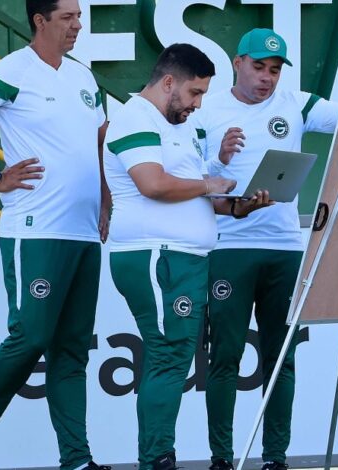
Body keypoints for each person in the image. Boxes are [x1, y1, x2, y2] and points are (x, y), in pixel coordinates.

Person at [190, 28, 338, 470]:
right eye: (258, 67)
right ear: (237, 63)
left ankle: (275, 458)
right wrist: (219, 158)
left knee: (282, 359)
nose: (267, 78)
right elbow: (191, 175)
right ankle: (221, 458)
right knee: (224, 357)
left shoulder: (295, 103)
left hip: (283, 248)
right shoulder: (208, 108)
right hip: (228, 247)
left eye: (274, 70)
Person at [0, 1, 112, 469]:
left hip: (83, 233)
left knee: (71, 352)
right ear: (40, 20)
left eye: (79, 16)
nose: (78, 24)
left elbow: (98, 145)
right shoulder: (13, 69)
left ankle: (76, 460)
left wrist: (107, 201)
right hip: (35, 229)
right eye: (67, 17)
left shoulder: (83, 77)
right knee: (31, 336)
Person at [103, 43, 273, 470]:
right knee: (166, 356)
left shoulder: (180, 125)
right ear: (167, 83)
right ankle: (157, 459)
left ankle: (159, 456)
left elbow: (193, 193)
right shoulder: (133, 118)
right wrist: (211, 185)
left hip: (182, 257)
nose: (198, 104)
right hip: (156, 257)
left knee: (174, 358)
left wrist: (237, 206)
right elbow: (154, 185)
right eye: (195, 93)